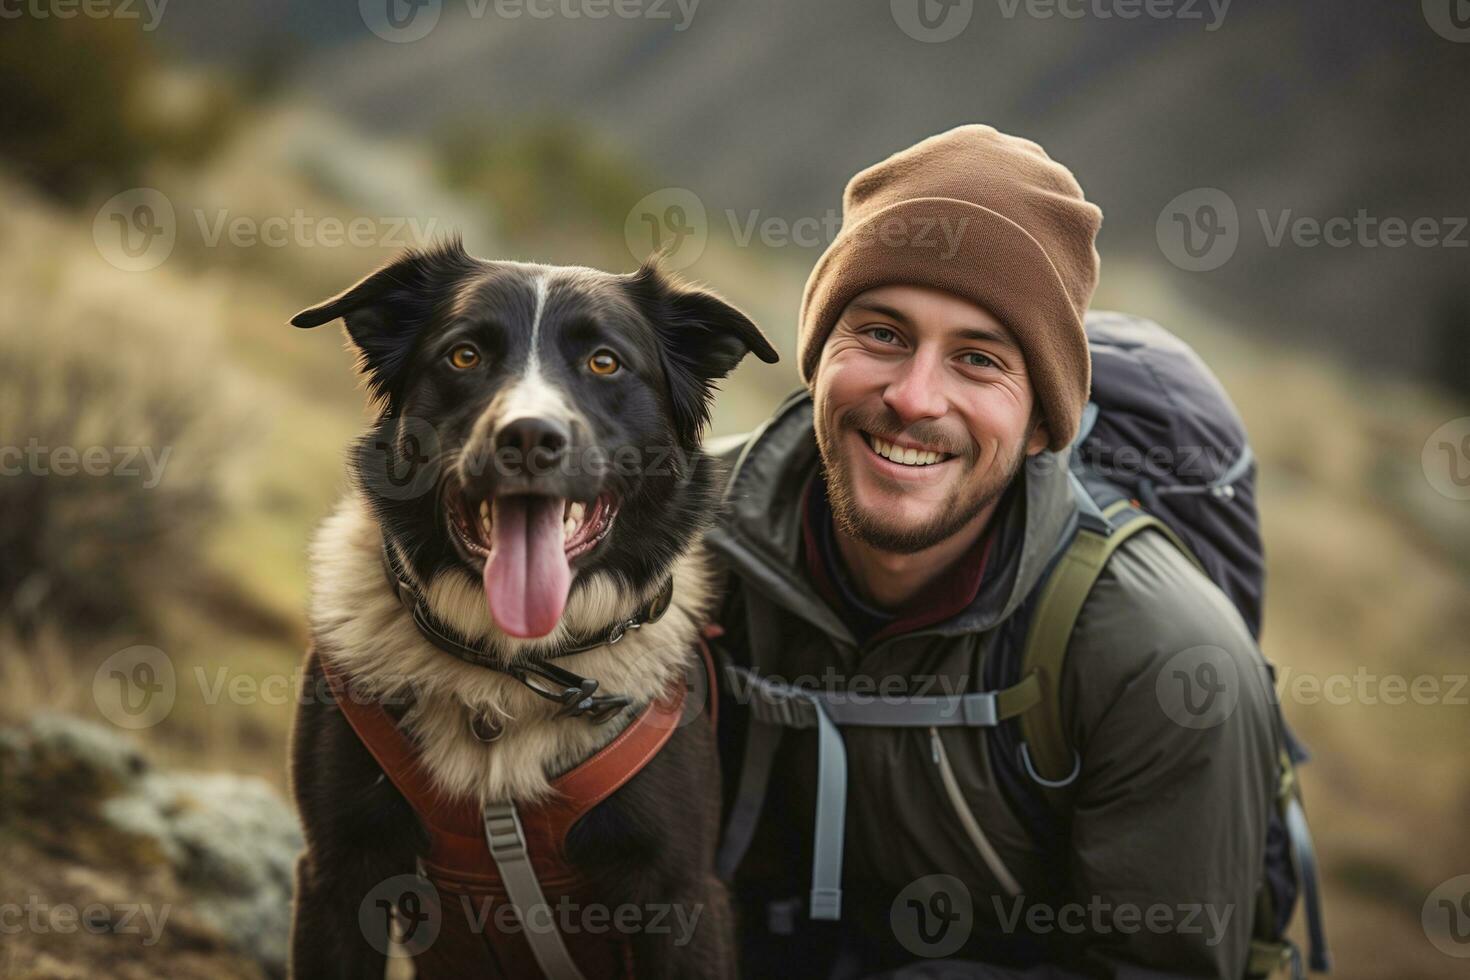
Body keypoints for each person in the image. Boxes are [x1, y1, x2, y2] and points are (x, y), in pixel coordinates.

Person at [703, 125, 1281, 979]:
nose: (913, 397)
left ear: (1045, 420)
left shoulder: (1164, 658)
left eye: (978, 359)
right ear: (820, 353)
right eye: (883, 334)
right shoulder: (668, 545)